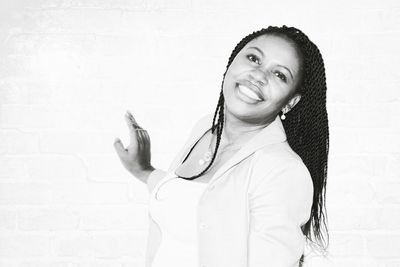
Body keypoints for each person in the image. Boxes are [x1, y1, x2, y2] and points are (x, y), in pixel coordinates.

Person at [114, 25, 329, 267]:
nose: (259, 75)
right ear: (231, 63)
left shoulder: (282, 170)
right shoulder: (205, 129)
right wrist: (144, 171)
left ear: (290, 103)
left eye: (279, 75)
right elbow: (196, 200)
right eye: (253, 58)